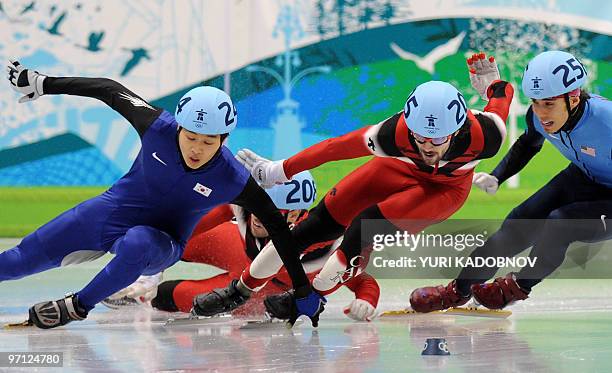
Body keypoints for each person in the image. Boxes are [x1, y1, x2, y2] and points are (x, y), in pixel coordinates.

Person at [193, 53, 514, 325]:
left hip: (442, 192)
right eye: (420, 137)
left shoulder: (486, 135)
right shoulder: (395, 132)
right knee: (309, 228)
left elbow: (502, 100)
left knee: (365, 226)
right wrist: (280, 170)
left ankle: (312, 296)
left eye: (438, 139)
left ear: (457, 130)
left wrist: (493, 87)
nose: (428, 147)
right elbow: (336, 148)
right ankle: (239, 291)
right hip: (397, 169)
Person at [2, 59, 311, 329]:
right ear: (179, 127)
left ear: (224, 138)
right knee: (16, 261)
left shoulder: (233, 178)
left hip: (161, 242)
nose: (196, 149)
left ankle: (78, 306)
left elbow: (279, 229)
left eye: (208, 142)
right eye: (191, 137)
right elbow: (108, 89)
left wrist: (302, 289)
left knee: (138, 240)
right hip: (109, 212)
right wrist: (44, 84)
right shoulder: (156, 126)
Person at [410, 50, 612, 312]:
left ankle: (515, 287)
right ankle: (458, 291)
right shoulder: (538, 116)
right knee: (518, 223)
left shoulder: (607, 122)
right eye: (535, 102)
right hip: (584, 176)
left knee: (562, 223)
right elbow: (528, 144)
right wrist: (498, 176)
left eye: (549, 104)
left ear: (573, 98)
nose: (540, 112)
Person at [104, 172, 380, 321]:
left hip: (258, 290)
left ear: (296, 215)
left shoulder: (326, 244)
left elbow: (363, 281)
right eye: (257, 207)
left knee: (168, 296)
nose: (258, 216)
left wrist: (365, 301)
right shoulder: (240, 208)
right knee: (176, 242)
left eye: (273, 211)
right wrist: (152, 262)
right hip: (234, 248)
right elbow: (185, 226)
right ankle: (144, 277)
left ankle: (143, 296)